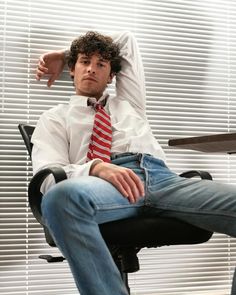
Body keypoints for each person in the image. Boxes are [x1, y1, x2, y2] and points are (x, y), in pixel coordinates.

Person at [33, 30, 236, 295]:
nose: (91, 69)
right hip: (106, 185)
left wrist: (64, 54)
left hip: (163, 180)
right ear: (72, 70)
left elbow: (126, 40)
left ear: (112, 75)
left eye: (100, 64)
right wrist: (95, 167)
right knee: (59, 197)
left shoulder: (129, 102)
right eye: (84, 62)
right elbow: (47, 176)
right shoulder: (54, 118)